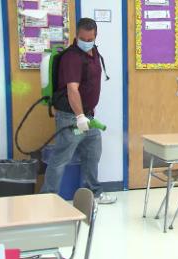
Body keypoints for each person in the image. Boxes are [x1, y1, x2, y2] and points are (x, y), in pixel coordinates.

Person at [41, 18, 116, 204]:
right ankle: (47, 199)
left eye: (90, 39)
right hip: (70, 117)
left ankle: (94, 193)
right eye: (82, 38)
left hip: (88, 116)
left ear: (95, 36)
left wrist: (87, 113)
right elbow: (72, 89)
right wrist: (80, 116)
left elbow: (90, 84)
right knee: (61, 157)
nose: (86, 42)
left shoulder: (94, 52)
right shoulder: (72, 57)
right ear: (77, 35)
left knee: (93, 153)